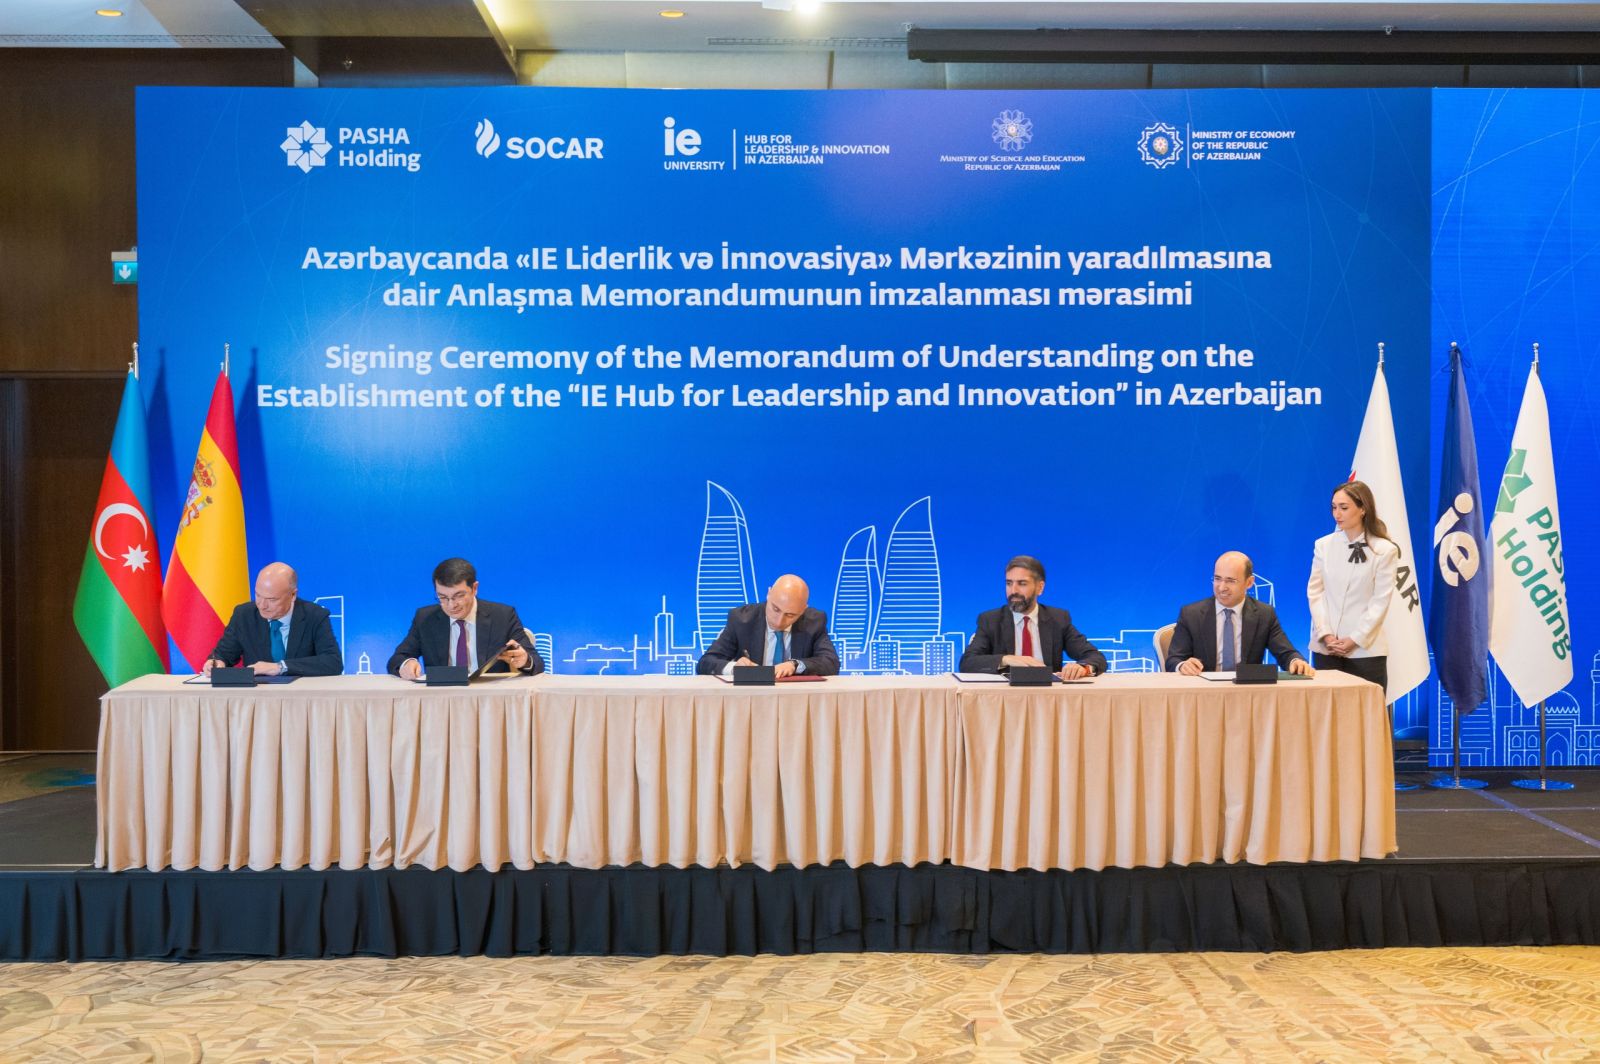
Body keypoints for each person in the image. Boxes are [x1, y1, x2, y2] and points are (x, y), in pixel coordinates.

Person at [1307, 480, 1398, 691]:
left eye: (1344, 508)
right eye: (1334, 507)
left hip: (1366, 651)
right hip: (1327, 649)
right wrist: (1326, 634)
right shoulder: (1323, 545)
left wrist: (1356, 638)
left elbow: (1380, 601)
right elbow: (1315, 592)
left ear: (1363, 509)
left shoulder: (1385, 550)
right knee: (1326, 709)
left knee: (1366, 709)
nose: (1337, 514)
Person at [387, 557, 543, 679]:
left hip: (490, 698)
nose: (451, 605)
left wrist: (524, 660)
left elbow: (536, 662)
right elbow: (397, 659)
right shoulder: (425, 618)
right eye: (443, 597)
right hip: (441, 699)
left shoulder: (503, 616)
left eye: (459, 596)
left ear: (474, 588)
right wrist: (407, 664)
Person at [1165, 551, 1314, 676]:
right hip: (1204, 693)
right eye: (1217, 579)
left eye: (1230, 581)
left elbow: (1286, 653)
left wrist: (1296, 661)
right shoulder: (1191, 614)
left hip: (1247, 693)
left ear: (1249, 582)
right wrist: (1183, 665)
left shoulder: (1264, 614)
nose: (1222, 587)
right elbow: (1173, 660)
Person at [959, 555, 1106, 679]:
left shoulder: (1058, 619)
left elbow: (1095, 656)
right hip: (1005, 697)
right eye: (1009, 583)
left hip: (1048, 696)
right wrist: (1006, 659)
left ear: (1040, 588)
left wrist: (1083, 667)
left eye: (1022, 584)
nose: (1013, 590)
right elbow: (967, 662)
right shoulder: (990, 620)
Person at [205, 562, 343, 677]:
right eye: (258, 595)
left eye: (272, 599)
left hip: (301, 695)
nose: (262, 605)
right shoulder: (244, 615)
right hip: (259, 696)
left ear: (293, 595)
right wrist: (216, 662)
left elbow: (333, 662)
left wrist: (279, 667)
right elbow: (223, 655)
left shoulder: (315, 615)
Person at [696, 573, 840, 677]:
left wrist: (795, 665)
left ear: (803, 610)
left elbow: (830, 663)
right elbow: (705, 663)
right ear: (768, 594)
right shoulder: (741, 619)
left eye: (790, 615)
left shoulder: (815, 622)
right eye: (775, 609)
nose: (779, 621)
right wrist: (736, 668)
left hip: (796, 700)